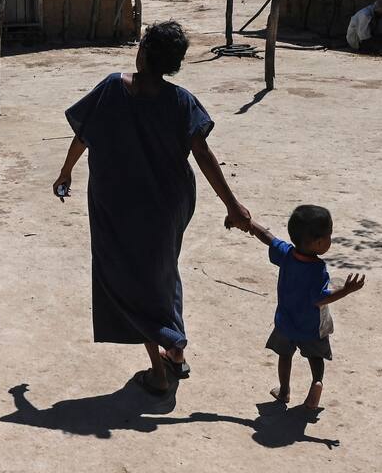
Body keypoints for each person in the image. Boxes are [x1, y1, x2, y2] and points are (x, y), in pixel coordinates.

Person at [54, 21, 251, 396]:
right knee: (162, 271)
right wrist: (232, 204)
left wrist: (65, 172)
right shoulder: (181, 101)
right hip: (168, 206)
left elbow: (83, 135)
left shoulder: (114, 87)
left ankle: (159, 373)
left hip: (120, 205)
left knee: (132, 280)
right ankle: (175, 349)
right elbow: (203, 154)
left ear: (142, 52)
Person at [232, 205, 365, 411]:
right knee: (316, 356)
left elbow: (267, 236)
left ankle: (284, 391)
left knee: (285, 357)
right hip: (310, 327)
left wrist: (249, 223)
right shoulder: (317, 269)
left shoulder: (286, 254)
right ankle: (317, 382)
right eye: (330, 235)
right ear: (319, 242)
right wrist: (346, 290)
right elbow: (320, 299)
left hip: (285, 323)